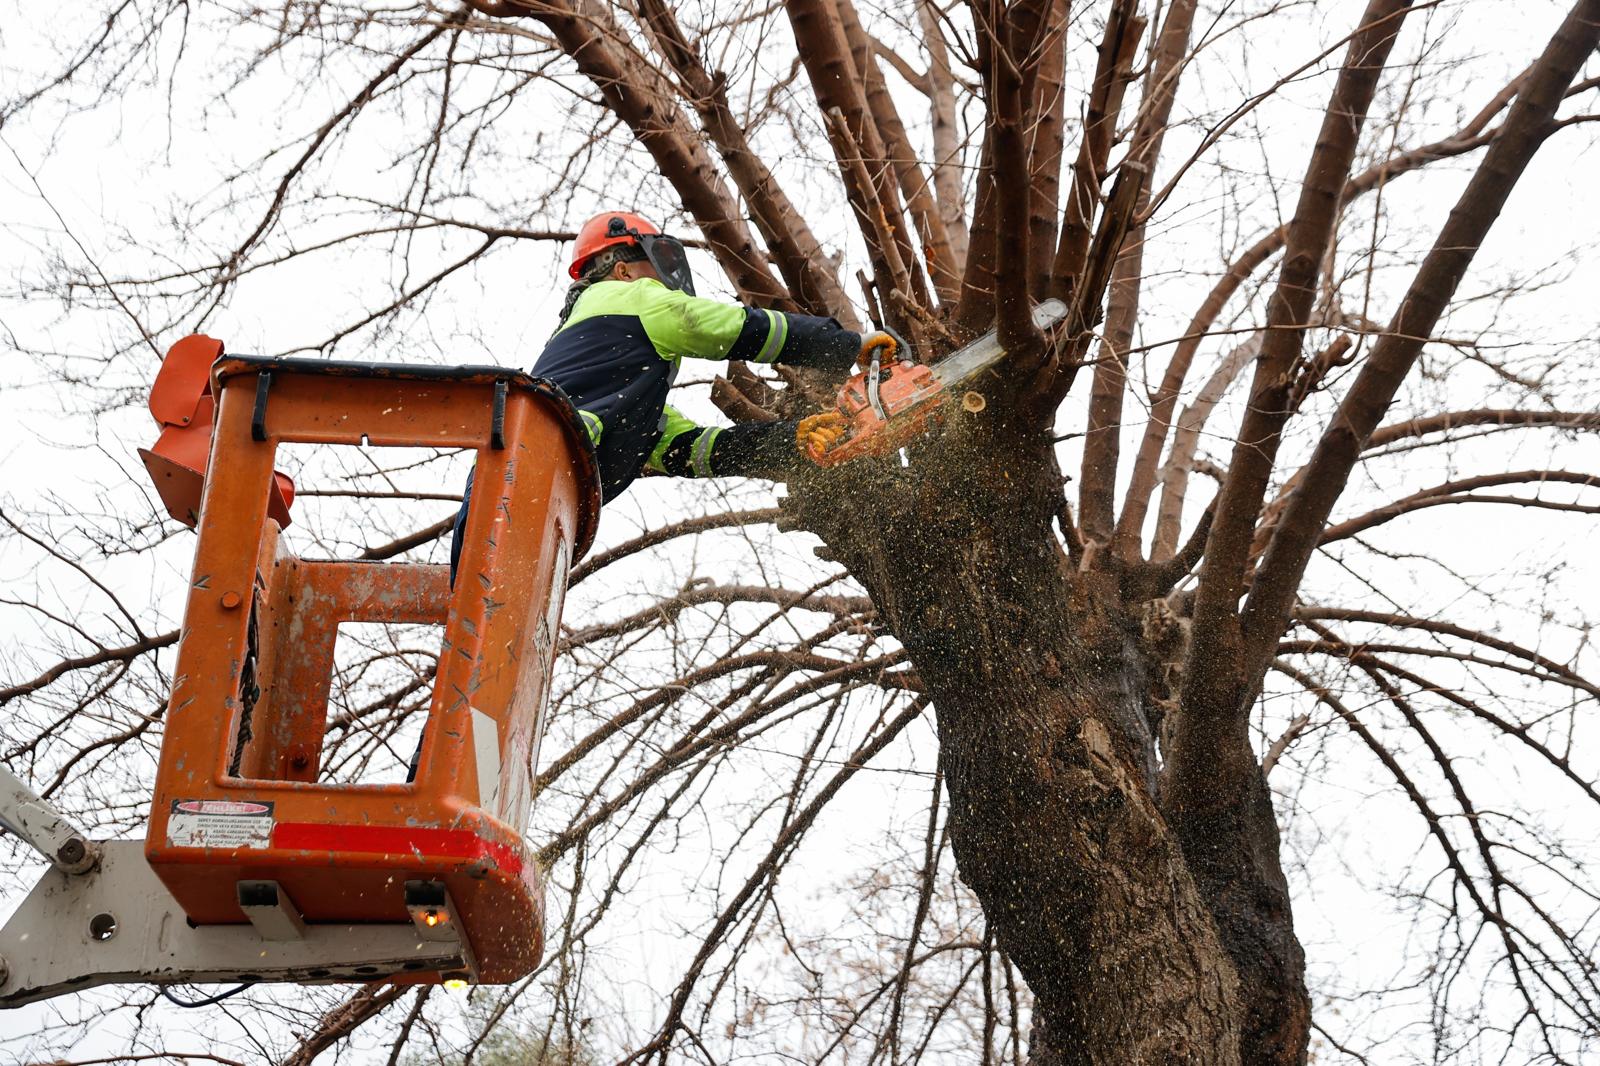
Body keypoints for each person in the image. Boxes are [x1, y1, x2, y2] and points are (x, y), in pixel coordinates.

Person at [449, 210, 894, 576]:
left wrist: (791, 440)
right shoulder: (622, 297)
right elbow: (727, 327)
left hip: (519, 505)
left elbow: (691, 451)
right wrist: (844, 345)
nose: (662, 288)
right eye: (652, 272)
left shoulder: (613, 385)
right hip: (530, 473)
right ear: (622, 270)